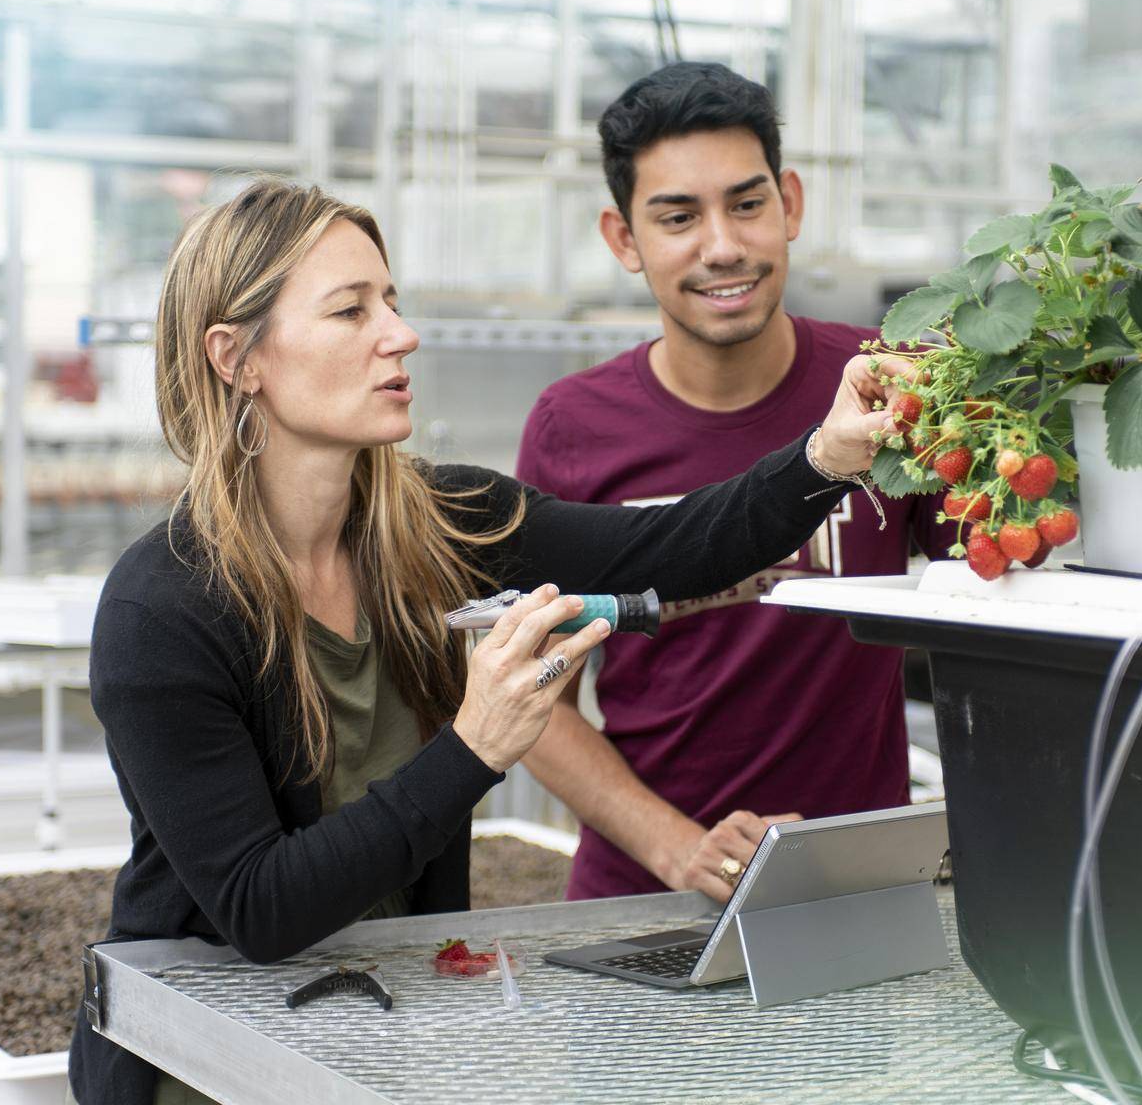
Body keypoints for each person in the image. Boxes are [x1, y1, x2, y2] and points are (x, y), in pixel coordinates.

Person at [67, 177, 914, 1105]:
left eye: (390, 301)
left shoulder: (442, 521)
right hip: (204, 1064)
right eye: (351, 310)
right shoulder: (164, 610)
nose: (400, 334)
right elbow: (262, 910)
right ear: (238, 358)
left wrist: (826, 455)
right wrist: (477, 744)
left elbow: (666, 547)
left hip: (383, 1040)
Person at [516, 62, 951, 905]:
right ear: (623, 240)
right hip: (639, 902)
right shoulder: (572, 429)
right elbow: (539, 696)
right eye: (677, 217)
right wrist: (679, 850)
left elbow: (998, 611)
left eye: (746, 204)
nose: (722, 246)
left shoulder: (888, 382)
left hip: (853, 892)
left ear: (789, 204)